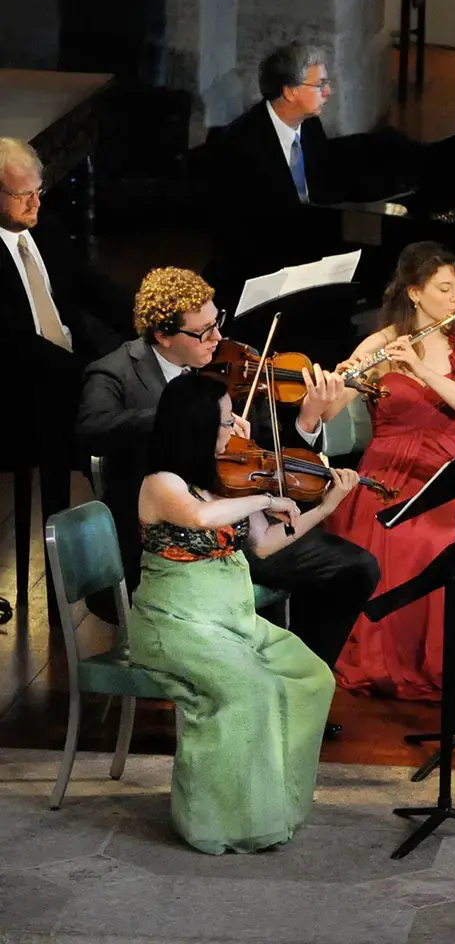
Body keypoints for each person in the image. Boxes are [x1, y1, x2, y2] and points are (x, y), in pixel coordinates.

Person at [77, 268, 379, 700]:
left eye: (217, 323)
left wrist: (308, 419)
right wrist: (179, 418)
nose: (217, 339)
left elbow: (269, 454)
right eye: (202, 333)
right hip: (164, 548)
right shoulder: (115, 372)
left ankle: (294, 693)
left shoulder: (232, 369)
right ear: (163, 335)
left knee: (353, 570)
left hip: (241, 531)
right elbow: (91, 428)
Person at [129, 371, 357, 854]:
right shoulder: (162, 483)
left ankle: (273, 804)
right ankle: (214, 821)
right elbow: (199, 519)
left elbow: (268, 544)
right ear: (194, 427)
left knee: (311, 678)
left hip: (234, 622)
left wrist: (326, 505)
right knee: (249, 690)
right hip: (177, 625)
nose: (235, 428)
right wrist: (267, 497)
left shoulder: (226, 480)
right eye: (225, 421)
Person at [324, 242, 455, 698]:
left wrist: (420, 368)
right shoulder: (379, 345)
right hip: (389, 467)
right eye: (444, 288)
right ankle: (406, 658)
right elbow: (329, 412)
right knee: (414, 538)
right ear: (415, 293)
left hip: (449, 463)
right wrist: (334, 384)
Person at [202, 42, 419, 310]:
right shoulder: (237, 145)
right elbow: (238, 235)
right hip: (259, 268)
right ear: (290, 92)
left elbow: (325, 192)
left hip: (306, 244)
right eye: (319, 85)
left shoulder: (310, 126)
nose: (328, 93)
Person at [0, 138, 131, 528]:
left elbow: (91, 286)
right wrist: (86, 374)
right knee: (118, 420)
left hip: (72, 369)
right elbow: (13, 341)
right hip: (21, 389)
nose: (35, 203)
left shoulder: (45, 228)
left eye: (38, 192)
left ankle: (133, 524)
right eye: (24, 195)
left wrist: (149, 319)